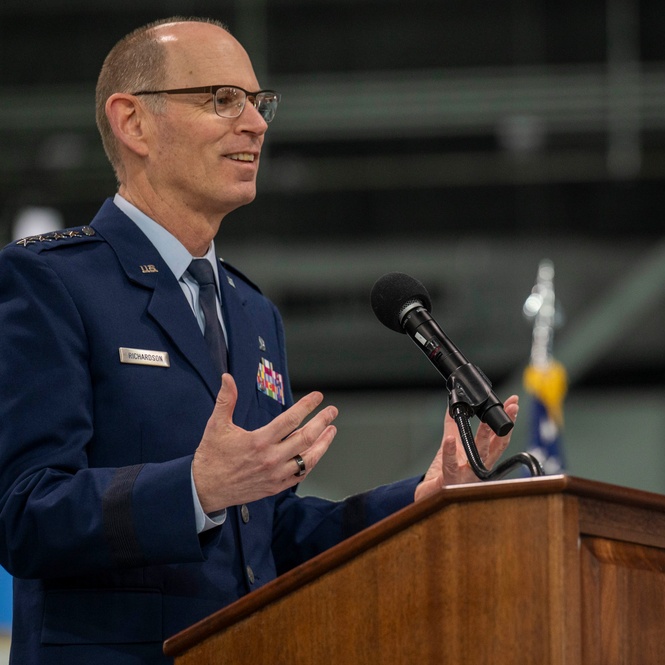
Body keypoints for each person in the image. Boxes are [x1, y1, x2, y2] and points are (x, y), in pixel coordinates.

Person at [0, 16, 517, 665]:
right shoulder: (51, 282)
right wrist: (193, 489)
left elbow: (268, 533)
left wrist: (415, 500)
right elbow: (24, 512)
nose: (256, 124)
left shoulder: (252, 312)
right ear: (134, 123)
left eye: (258, 101)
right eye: (222, 99)